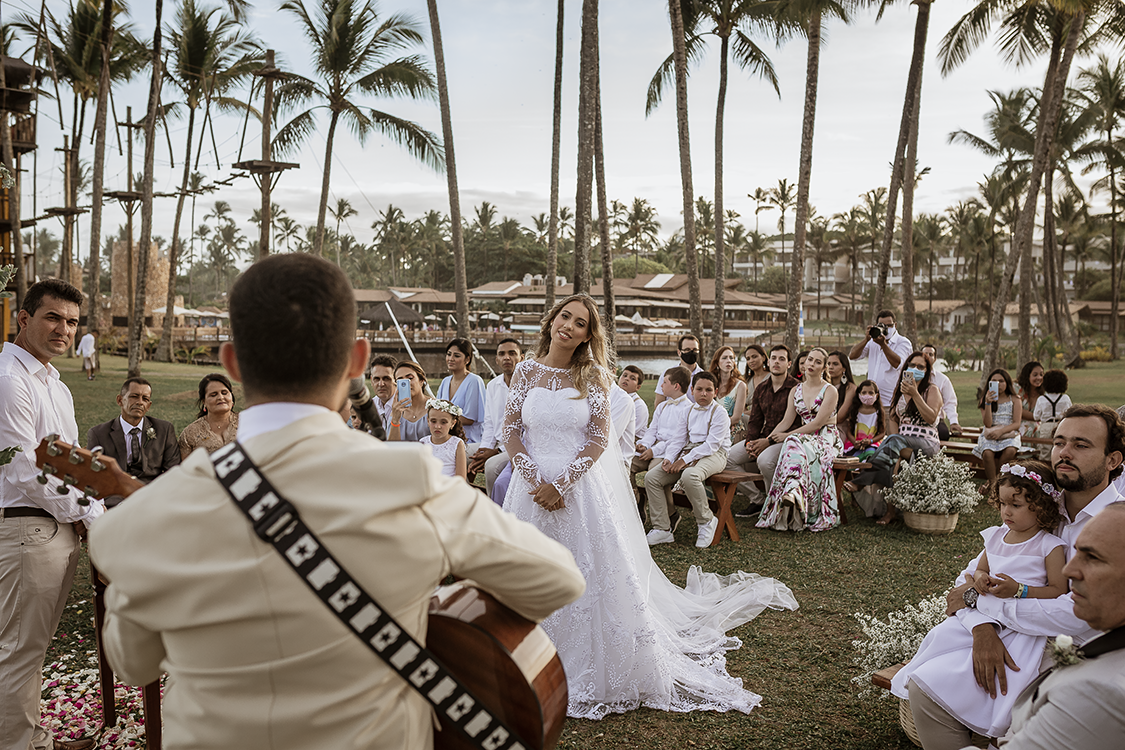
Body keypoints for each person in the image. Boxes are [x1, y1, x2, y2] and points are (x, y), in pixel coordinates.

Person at [88, 253, 586, 750]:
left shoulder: (141, 522)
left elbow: (132, 662)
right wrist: (426, 613)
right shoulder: (410, 484)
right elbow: (556, 579)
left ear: (232, 363)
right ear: (358, 361)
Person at [501, 292, 798, 720]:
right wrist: (534, 479)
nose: (568, 325)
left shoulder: (595, 375)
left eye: (580, 322)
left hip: (578, 489)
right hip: (529, 491)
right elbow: (512, 428)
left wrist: (562, 483)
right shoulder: (525, 371)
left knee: (589, 577)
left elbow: (599, 439)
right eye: (564, 316)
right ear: (551, 320)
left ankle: (591, 666)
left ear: (588, 335)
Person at [913, 404, 1125, 750]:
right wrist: (982, 628)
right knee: (926, 689)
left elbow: (1073, 614)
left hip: (1078, 652)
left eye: (1081, 445)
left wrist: (980, 603)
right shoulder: (1037, 504)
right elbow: (973, 574)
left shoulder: (1118, 521)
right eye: (1059, 442)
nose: (1064, 453)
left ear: (1113, 460)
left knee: (1005, 715)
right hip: (1006, 634)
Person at [892, 460, 1068, 742]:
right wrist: (979, 581)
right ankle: (937, 691)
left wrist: (1020, 589)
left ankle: (984, 723)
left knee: (1004, 678)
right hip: (985, 616)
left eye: (1017, 504)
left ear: (1042, 506)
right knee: (942, 641)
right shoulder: (996, 536)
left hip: (1019, 629)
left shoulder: (1049, 545)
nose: (1006, 511)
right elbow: (979, 569)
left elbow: (1058, 589)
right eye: (1002, 503)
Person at [1, 278, 102, 750]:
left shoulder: (55, 385)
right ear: (23, 320)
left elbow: (70, 461)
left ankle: (30, 738)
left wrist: (90, 510)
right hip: (25, 527)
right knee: (19, 652)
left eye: (72, 321)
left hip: (56, 528)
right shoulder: (9, 379)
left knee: (31, 649)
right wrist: (92, 515)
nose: (64, 329)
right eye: (53, 318)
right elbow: (24, 467)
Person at [979, 503, 1125, 750]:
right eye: (1077, 553)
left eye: (1093, 558)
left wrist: (983, 603)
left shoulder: (1099, 691)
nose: (1068, 570)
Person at [851, 351, 943, 525]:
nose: (915, 369)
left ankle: (863, 479)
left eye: (921, 367)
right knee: (892, 456)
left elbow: (931, 418)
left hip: (927, 443)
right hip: (900, 443)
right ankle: (890, 512)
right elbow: (893, 419)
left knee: (894, 443)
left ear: (927, 370)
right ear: (906, 368)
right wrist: (894, 439)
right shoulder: (899, 392)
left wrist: (915, 393)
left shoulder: (932, 390)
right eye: (912, 365)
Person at [756, 347, 843, 532]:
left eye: (818, 362)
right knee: (793, 442)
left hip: (825, 439)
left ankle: (792, 494)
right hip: (802, 439)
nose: (811, 364)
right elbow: (786, 421)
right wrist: (767, 440)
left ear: (824, 367)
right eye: (810, 360)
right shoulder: (796, 390)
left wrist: (788, 436)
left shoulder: (830, 391)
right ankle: (793, 493)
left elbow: (817, 424)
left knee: (792, 441)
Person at [644, 371, 731, 547]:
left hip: (715, 454)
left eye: (708, 390)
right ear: (692, 390)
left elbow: (711, 445)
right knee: (652, 478)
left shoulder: (719, 413)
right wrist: (669, 458)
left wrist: (684, 461)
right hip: (688, 451)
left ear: (715, 391)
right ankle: (662, 529)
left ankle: (706, 521)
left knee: (689, 475)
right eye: (699, 389)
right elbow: (679, 439)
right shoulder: (688, 410)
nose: (703, 393)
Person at [726, 345, 798, 510]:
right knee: (727, 458)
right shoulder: (761, 388)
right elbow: (755, 420)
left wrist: (766, 441)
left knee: (765, 461)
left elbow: (790, 422)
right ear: (769, 361)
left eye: (781, 359)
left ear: (789, 363)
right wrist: (750, 442)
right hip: (764, 436)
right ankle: (758, 499)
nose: (776, 362)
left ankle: (776, 503)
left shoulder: (796, 387)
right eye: (774, 358)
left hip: (786, 438)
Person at [86, 377, 181, 490]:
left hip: (152, 494)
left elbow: (173, 471)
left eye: (145, 399)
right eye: (134, 396)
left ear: (149, 405)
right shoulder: (98, 434)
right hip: (114, 495)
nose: (140, 402)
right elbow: (93, 475)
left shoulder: (164, 430)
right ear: (120, 400)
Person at [632, 366, 693, 532]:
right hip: (653, 448)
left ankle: (670, 515)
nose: (661, 386)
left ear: (676, 386)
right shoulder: (662, 406)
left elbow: (678, 440)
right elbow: (652, 430)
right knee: (627, 463)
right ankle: (636, 503)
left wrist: (654, 451)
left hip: (668, 453)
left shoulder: (688, 409)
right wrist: (644, 444)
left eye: (664, 382)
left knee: (654, 473)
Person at [467, 338, 522, 496]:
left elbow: (527, 432)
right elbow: (489, 422)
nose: (507, 357)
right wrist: (485, 449)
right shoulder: (492, 385)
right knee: (460, 453)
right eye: (502, 354)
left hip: (516, 447)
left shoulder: (529, 387)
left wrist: (497, 451)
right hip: (495, 443)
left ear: (522, 358)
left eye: (512, 353)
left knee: (491, 467)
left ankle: (495, 510)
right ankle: (468, 503)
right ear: (496, 360)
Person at [848, 310, 913, 408]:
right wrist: (866, 339)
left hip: (891, 403)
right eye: (882, 325)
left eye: (889, 325)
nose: (886, 328)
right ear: (876, 325)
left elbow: (898, 364)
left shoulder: (903, 342)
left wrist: (883, 344)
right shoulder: (872, 341)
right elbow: (852, 356)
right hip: (871, 402)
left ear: (895, 325)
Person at [975, 368, 1022, 487]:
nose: (999, 384)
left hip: (1008, 433)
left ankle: (996, 482)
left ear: (1007, 383)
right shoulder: (985, 400)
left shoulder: (1015, 399)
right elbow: (988, 424)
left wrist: (1001, 431)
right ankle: (993, 484)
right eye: (994, 381)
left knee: (1010, 450)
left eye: (1001, 381)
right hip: (991, 433)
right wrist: (988, 403)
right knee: (987, 453)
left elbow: (1017, 423)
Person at [437, 338, 487, 447]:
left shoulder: (474, 381)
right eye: (449, 354)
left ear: (467, 359)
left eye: (457, 356)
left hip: (469, 442)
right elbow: (437, 410)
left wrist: (441, 418)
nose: (451, 359)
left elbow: (469, 419)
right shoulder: (445, 381)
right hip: (446, 440)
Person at [178, 373, 239, 461]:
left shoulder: (247, 422)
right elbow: (186, 469)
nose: (221, 397)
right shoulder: (190, 433)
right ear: (204, 402)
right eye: (213, 395)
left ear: (231, 397)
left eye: (224, 393)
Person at [421, 398, 468, 480]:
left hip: (449, 488)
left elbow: (460, 478)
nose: (437, 426)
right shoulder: (423, 443)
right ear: (428, 421)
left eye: (443, 422)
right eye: (433, 421)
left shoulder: (457, 444)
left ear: (452, 423)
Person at [922, 343, 962, 439]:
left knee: (943, 433)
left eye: (931, 354)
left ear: (935, 359)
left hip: (937, 419)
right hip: (916, 418)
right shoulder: (914, 376)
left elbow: (950, 402)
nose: (927, 356)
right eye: (925, 354)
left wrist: (953, 422)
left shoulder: (943, 379)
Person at [387, 361, 432, 442]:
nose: (406, 383)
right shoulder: (396, 411)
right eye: (400, 381)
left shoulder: (435, 406)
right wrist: (395, 420)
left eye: (410, 378)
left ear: (421, 381)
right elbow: (392, 447)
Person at [841, 379, 885, 462]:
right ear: (859, 395)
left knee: (871, 453)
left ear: (877, 395)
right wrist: (854, 442)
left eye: (871, 393)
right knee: (848, 458)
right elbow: (849, 431)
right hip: (855, 443)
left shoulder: (879, 412)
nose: (867, 396)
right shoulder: (854, 410)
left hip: (872, 443)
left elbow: (882, 433)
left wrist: (870, 441)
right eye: (864, 393)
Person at [652, 334, 702, 407]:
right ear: (679, 352)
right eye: (687, 349)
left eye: (695, 350)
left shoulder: (703, 376)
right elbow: (659, 402)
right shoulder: (668, 374)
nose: (691, 353)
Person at [709, 346, 747, 441]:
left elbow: (736, 418)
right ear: (717, 363)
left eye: (731, 358)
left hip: (732, 431)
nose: (729, 361)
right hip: (710, 428)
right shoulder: (711, 384)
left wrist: (715, 426)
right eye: (724, 358)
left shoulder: (740, 385)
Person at [1033, 369, 1070, 460]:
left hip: (1046, 426)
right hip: (1060, 425)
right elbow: (1069, 413)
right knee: (1059, 450)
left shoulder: (1042, 399)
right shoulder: (1065, 398)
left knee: (1045, 452)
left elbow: (1036, 416)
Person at [617, 364, 649, 445]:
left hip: (632, 443)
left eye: (632, 378)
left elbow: (631, 431)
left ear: (638, 387)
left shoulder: (639, 406)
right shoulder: (612, 397)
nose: (626, 379)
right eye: (624, 375)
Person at [368, 353, 398, 435]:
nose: (381, 384)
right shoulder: (368, 407)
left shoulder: (405, 405)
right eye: (376, 379)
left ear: (396, 379)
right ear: (371, 380)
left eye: (386, 378)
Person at [826, 350, 857, 426]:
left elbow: (840, 417)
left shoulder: (850, 388)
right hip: (818, 426)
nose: (830, 367)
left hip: (839, 428)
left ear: (844, 368)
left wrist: (817, 423)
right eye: (828, 363)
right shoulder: (823, 386)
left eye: (835, 364)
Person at [1016, 361, 1045, 438]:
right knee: (1031, 428)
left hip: (1038, 425)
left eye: (1041, 374)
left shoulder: (1044, 393)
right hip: (1017, 423)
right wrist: (1037, 417)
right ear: (1027, 376)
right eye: (1035, 375)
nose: (1039, 377)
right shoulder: (1017, 389)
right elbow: (1017, 411)